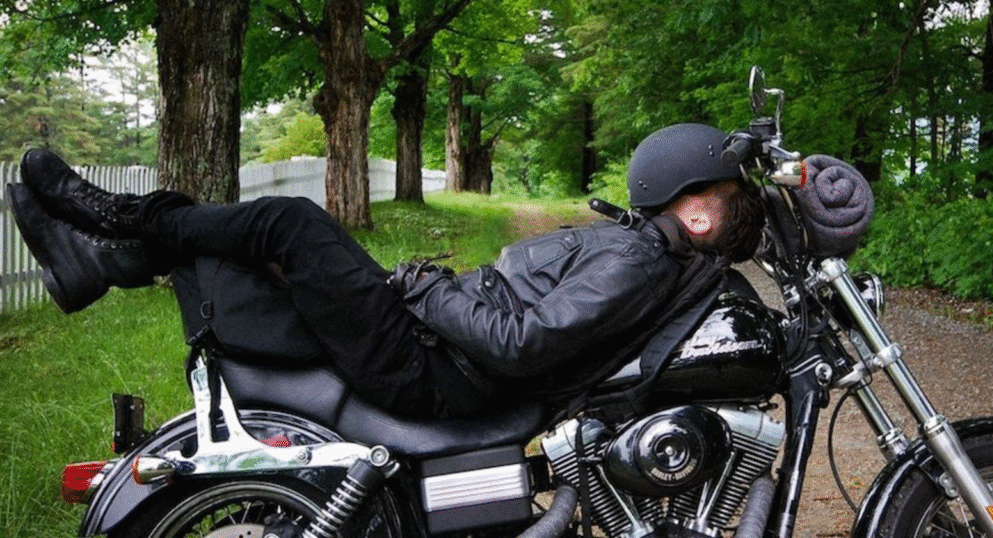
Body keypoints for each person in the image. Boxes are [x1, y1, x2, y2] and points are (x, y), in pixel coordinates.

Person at [6, 123, 765, 418]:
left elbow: (523, 343)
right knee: (258, 246)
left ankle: (111, 222)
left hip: (427, 362)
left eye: (721, 193)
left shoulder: (642, 256)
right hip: (433, 348)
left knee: (286, 222)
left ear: (697, 212)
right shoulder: (649, 251)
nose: (720, 197)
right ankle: (103, 263)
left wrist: (428, 288)